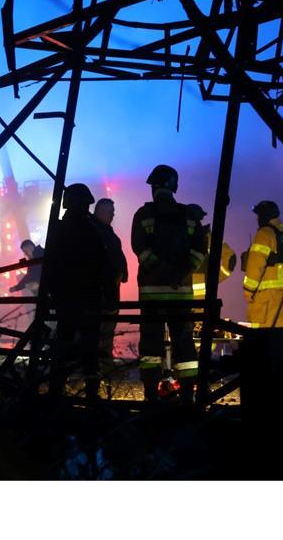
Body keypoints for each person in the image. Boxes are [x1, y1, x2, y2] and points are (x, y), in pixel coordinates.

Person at [132, 164, 206, 404]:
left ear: (153, 188)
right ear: (174, 187)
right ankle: (187, 397)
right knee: (184, 345)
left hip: (152, 295)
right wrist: (181, 273)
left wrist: (162, 271)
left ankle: (151, 397)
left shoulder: (143, 215)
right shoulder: (189, 216)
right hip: (181, 293)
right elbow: (199, 251)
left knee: (151, 347)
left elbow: (140, 249)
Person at [51, 183, 112, 401]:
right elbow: (102, 263)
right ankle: (92, 394)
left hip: (67, 299)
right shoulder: (90, 231)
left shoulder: (58, 230)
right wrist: (108, 293)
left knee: (65, 343)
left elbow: (52, 266)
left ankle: (56, 389)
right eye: (85, 204)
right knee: (90, 349)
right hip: (87, 298)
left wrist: (53, 295)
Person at [242, 200, 283, 329]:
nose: (257, 218)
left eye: (258, 215)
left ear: (264, 216)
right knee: (278, 335)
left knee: (260, 335)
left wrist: (248, 290)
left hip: (267, 295)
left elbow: (256, 264)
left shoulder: (265, 233)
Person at [92, 198, 128, 371]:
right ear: (99, 211)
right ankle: (97, 369)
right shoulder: (95, 232)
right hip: (100, 294)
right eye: (110, 211)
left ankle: (102, 367)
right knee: (98, 332)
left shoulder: (107, 233)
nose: (113, 214)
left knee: (105, 332)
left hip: (109, 292)